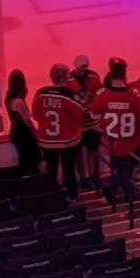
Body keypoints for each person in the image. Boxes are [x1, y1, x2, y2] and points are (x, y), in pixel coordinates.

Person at [90, 61, 140, 195]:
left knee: (121, 169)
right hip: (131, 141)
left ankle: (114, 190)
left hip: (111, 142)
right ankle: (116, 190)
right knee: (125, 171)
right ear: (125, 74)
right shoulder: (134, 95)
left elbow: (93, 115)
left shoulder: (101, 94)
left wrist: (103, 126)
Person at [31, 63, 89, 195]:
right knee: (69, 168)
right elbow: (81, 115)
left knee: (51, 170)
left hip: (47, 141)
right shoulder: (68, 95)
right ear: (64, 78)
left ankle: (53, 197)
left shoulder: (40, 94)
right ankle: (72, 195)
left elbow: (35, 115)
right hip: (68, 141)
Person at [2, 70, 40, 175]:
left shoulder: (9, 99)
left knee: (24, 159)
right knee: (33, 159)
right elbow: (26, 119)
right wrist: (36, 133)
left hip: (15, 132)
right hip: (24, 133)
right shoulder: (19, 101)